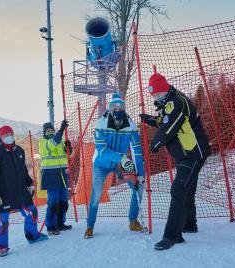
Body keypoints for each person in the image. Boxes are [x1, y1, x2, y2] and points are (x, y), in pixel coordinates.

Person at [140, 73, 210, 250]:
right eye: (154, 96)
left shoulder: (178, 101)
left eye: (157, 94)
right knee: (187, 190)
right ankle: (189, 225)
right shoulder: (169, 102)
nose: (156, 98)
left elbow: (170, 126)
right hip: (185, 154)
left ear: (164, 89)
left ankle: (172, 236)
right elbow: (165, 120)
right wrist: (151, 119)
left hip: (193, 154)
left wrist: (155, 143)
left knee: (178, 191)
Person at [84, 93, 146, 239]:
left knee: (139, 186)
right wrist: (122, 157)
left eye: (120, 107)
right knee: (96, 195)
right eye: (114, 106)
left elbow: (137, 150)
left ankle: (133, 221)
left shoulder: (130, 125)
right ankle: (89, 226)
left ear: (124, 108)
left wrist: (140, 173)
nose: (118, 109)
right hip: (101, 163)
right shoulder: (101, 123)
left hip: (120, 163)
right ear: (110, 108)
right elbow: (102, 149)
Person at [0, 125, 48, 257]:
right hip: (4, 194)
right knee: (3, 221)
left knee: (32, 213)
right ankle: (1, 246)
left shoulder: (19, 151)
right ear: (1, 138)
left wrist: (29, 183)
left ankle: (32, 236)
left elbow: (23, 170)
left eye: (10, 134)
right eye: (5, 136)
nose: (9, 137)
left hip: (20, 191)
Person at [39, 120, 73, 235]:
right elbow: (52, 145)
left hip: (62, 175)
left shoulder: (60, 141)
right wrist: (61, 130)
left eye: (51, 130)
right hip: (50, 176)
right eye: (48, 130)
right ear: (44, 133)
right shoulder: (43, 142)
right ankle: (51, 226)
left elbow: (67, 156)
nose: (50, 132)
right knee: (53, 203)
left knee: (63, 202)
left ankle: (60, 223)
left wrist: (69, 148)